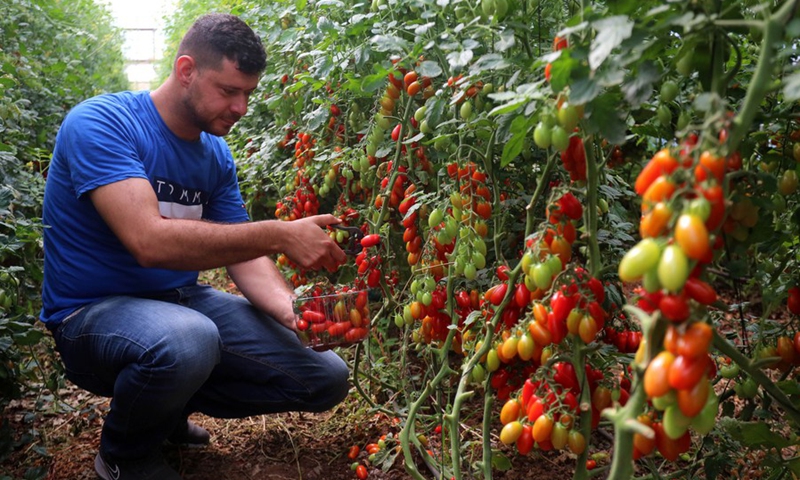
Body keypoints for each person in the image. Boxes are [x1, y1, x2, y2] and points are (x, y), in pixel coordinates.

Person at [40, 13, 349, 480]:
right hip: (91, 313)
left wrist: (293, 312)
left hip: (179, 304)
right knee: (188, 338)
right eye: (229, 91)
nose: (241, 107)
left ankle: (163, 410)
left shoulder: (214, 154)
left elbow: (243, 252)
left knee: (326, 376)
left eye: (248, 93)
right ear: (186, 70)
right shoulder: (102, 123)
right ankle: (125, 454)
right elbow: (149, 241)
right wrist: (281, 231)